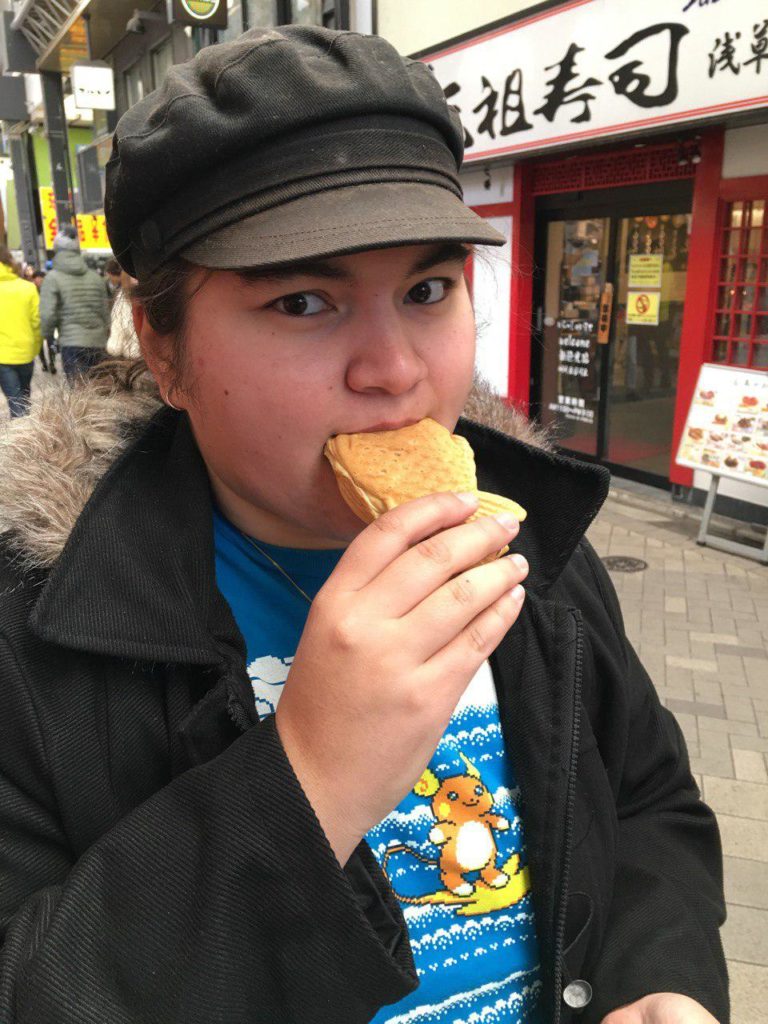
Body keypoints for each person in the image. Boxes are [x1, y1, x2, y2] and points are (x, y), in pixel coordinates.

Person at [0, 26, 728, 1024]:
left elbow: (649, 804)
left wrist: (663, 977)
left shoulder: (523, 541)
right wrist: (305, 782)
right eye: (304, 301)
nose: (395, 372)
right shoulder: (34, 627)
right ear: (162, 348)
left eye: (428, 290)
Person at [39, 225, 109, 382]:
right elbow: (105, 311)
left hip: (72, 342)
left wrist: (49, 337)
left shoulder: (52, 278)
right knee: (101, 388)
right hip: (98, 342)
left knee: (78, 392)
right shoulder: (95, 278)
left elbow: (48, 315)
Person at [0, 246, 41, 417]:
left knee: (15, 401)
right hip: (26, 352)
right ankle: (29, 434)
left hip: (2, 356)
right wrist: (35, 348)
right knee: (24, 398)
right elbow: (36, 322)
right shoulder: (28, 288)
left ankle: (23, 439)